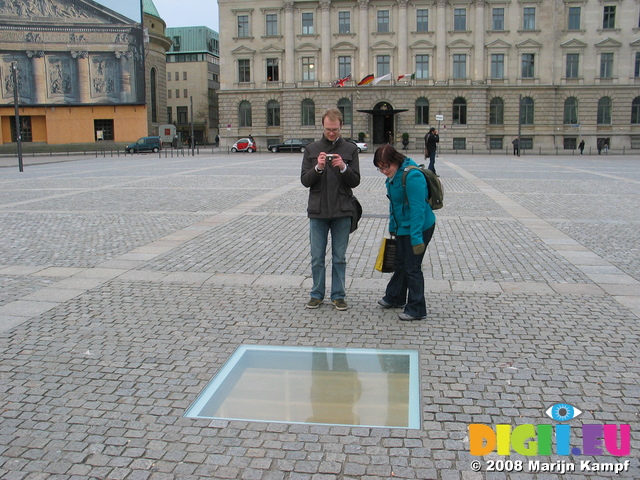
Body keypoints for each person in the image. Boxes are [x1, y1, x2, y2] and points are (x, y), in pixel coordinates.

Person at [301, 108, 360, 311]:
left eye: (334, 129)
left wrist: (343, 167)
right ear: (323, 126)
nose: (331, 133)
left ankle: (338, 295)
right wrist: (317, 167)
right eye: (328, 129)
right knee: (317, 257)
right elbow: (305, 181)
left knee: (339, 258)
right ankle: (317, 294)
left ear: (341, 126)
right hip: (318, 211)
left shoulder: (350, 149)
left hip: (342, 211)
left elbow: (355, 181)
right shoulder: (311, 149)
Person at [373, 144, 436, 321]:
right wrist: (393, 227)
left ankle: (417, 308)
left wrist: (416, 239)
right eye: (380, 168)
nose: (384, 170)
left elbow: (417, 210)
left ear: (396, 161)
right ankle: (395, 297)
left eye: (386, 166)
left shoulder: (412, 176)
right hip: (403, 227)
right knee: (400, 262)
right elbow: (395, 205)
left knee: (412, 267)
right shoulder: (394, 176)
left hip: (420, 227)